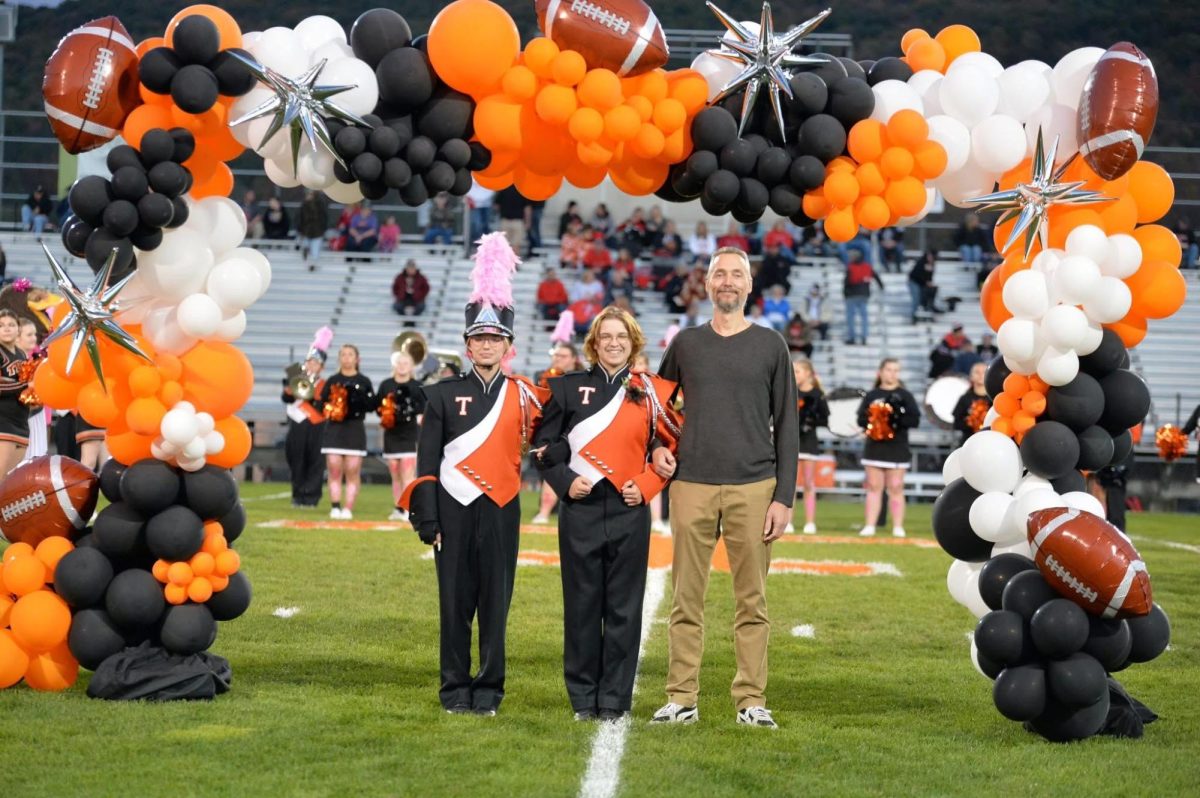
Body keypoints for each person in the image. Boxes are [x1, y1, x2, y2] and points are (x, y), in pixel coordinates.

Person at [650, 246, 798, 729]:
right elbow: (659, 408)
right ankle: (681, 697)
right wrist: (656, 448)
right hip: (690, 482)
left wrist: (783, 496)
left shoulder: (771, 344)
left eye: (737, 274)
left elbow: (788, 425)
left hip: (755, 486)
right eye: (720, 274)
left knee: (751, 601)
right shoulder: (686, 343)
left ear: (750, 285)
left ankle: (750, 699)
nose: (728, 282)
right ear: (708, 284)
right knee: (685, 598)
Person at [403, 233, 551, 715]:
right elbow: (427, 461)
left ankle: (489, 689)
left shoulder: (526, 394)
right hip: (454, 508)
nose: (486, 344)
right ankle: (453, 689)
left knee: (495, 605)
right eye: (479, 338)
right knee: (453, 604)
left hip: (503, 508)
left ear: (507, 345)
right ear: (468, 345)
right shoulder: (442, 394)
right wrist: (427, 516)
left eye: (495, 338)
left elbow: (553, 439)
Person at [535, 306, 681, 721]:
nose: (613, 343)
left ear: (633, 342)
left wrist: (650, 484)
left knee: (624, 607)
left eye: (621, 336)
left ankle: (614, 699)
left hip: (629, 508)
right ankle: (583, 699)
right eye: (606, 336)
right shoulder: (565, 388)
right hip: (580, 508)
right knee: (581, 605)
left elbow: (672, 447)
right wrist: (565, 482)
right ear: (594, 343)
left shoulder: (652, 391)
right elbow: (543, 450)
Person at [856, 359, 919, 538]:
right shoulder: (872, 395)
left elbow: (914, 420)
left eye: (895, 370)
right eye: (888, 370)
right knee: (874, 487)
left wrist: (895, 418)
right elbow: (861, 419)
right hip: (874, 447)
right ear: (881, 372)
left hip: (897, 447)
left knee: (896, 487)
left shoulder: (905, 395)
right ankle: (870, 525)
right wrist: (875, 422)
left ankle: (898, 527)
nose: (892, 374)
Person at [318, 344, 375, 520]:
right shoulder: (332, 380)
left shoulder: (364, 381)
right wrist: (332, 407)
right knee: (334, 469)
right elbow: (321, 405)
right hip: (334, 430)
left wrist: (359, 399)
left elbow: (372, 406)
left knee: (352, 471)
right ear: (339, 358)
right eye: (343, 354)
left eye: (350, 354)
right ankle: (335, 507)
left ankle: (348, 509)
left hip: (354, 430)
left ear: (357, 359)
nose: (347, 358)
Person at [532, 343, 583, 526]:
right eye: (556, 355)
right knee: (551, 464)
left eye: (563, 356)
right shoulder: (542, 377)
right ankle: (544, 511)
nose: (557, 359)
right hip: (551, 428)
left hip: (574, 429)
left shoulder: (582, 379)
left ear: (574, 359)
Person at [282, 328, 330, 508]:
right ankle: (297, 495)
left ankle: (312, 497)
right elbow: (285, 398)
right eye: (309, 362)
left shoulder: (324, 384)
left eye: (316, 363)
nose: (312, 366)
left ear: (321, 367)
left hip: (317, 425)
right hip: (298, 422)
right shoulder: (295, 378)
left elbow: (325, 404)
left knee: (315, 461)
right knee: (296, 459)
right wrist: (294, 386)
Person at [378, 350, 427, 520]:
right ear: (394, 365)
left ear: (411, 366)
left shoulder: (417, 386)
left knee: (408, 475)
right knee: (395, 475)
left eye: (406, 363)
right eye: (399, 363)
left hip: (409, 436)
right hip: (391, 435)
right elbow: (379, 409)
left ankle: (408, 509)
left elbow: (423, 410)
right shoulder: (386, 385)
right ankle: (398, 508)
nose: (402, 366)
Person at [791, 358, 829, 534]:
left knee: (808, 483)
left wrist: (811, 420)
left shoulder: (816, 395)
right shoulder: (790, 392)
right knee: (789, 484)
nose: (794, 374)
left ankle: (810, 522)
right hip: (791, 442)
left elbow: (825, 418)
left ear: (808, 374)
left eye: (797, 371)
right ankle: (788, 521)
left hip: (808, 443)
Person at [0, 310, 30, 475]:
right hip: (2, 422)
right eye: (1, 325)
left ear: (18, 329)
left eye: (11, 325)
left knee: (9, 482)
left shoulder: (21, 354)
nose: (6, 329)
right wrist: (23, 385)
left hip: (21, 422)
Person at [843, 248, 883, 345]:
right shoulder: (867, 266)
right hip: (864, 294)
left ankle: (852, 337)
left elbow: (847, 281)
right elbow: (876, 277)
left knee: (851, 317)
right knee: (864, 317)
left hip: (852, 294)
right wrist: (881, 286)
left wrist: (845, 293)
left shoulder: (850, 267)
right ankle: (864, 337)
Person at [952, 362, 992, 447]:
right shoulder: (965, 398)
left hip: (989, 442)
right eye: (977, 372)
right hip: (968, 442)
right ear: (971, 376)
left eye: (984, 372)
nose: (981, 375)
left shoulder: (994, 399)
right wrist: (972, 422)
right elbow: (956, 423)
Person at [298, 190, 328, 268]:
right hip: (307, 231)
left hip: (317, 232)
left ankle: (313, 265)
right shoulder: (304, 205)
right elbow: (301, 219)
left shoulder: (320, 205)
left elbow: (323, 218)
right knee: (306, 246)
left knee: (315, 250)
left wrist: (323, 229)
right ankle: (308, 263)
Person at [496, 187, 530, 253]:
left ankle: (506, 262)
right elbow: (527, 208)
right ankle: (513, 262)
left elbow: (497, 205)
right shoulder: (523, 191)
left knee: (505, 245)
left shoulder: (502, 189)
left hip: (505, 220)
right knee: (516, 245)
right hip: (518, 221)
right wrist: (528, 221)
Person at [907, 251, 937, 323]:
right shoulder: (921, 262)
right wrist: (926, 281)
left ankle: (927, 315)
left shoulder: (932, 265)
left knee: (927, 298)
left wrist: (928, 282)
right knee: (916, 298)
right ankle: (913, 316)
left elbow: (929, 277)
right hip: (914, 282)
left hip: (922, 284)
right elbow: (917, 275)